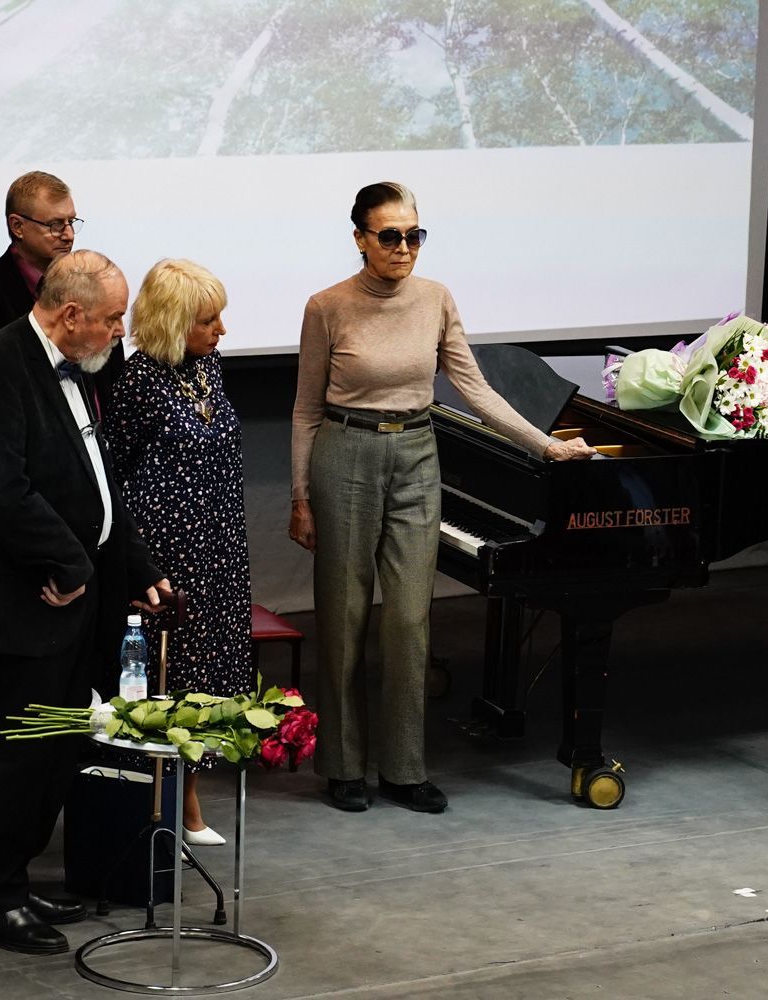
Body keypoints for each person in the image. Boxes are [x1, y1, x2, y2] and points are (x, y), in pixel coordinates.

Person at [290, 181, 595, 814]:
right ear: (360, 239)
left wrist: (546, 446)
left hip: (417, 455)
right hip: (346, 454)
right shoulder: (327, 306)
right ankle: (343, 766)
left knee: (409, 620)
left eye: (414, 236)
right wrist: (300, 496)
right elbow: (305, 409)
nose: (404, 248)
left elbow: (476, 389)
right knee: (344, 617)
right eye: (389, 236)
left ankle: (404, 769)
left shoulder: (436, 299)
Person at [0, 249, 169, 955]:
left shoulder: (77, 364)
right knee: (22, 753)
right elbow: (0, 492)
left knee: (59, 748)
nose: (121, 330)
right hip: (22, 603)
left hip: (75, 600)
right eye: (113, 318)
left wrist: (135, 565)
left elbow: (96, 479)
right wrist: (68, 562)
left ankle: (12, 876)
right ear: (71, 314)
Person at [106, 259, 250, 847]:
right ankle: (166, 807)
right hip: (166, 550)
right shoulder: (137, 381)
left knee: (209, 670)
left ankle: (187, 792)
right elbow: (114, 474)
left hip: (219, 544)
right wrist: (136, 562)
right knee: (169, 674)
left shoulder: (209, 366)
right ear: (172, 321)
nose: (221, 330)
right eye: (207, 320)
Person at [0, 171, 124, 399]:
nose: (68, 235)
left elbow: (111, 377)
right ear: (17, 226)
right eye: (55, 225)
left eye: (71, 222)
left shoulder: (94, 285)